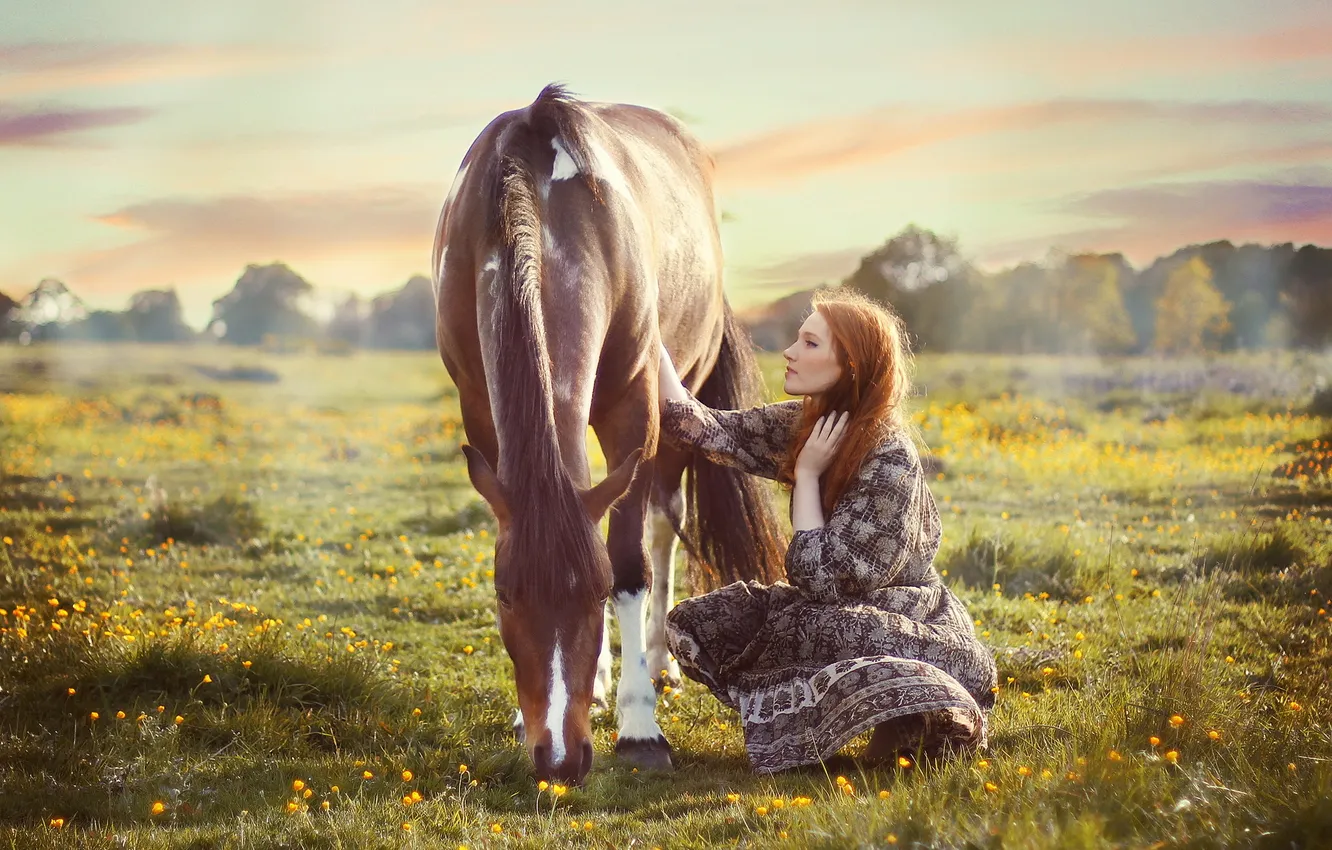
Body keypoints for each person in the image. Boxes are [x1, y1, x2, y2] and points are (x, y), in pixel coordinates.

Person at [657, 287, 996, 774]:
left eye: (810, 343)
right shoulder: (809, 422)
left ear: (850, 366)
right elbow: (705, 428)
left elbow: (821, 579)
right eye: (797, 340)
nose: (790, 352)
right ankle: (828, 721)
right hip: (827, 611)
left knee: (826, 626)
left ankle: (918, 711)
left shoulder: (890, 459)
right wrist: (649, 337)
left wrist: (808, 475)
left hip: (902, 621)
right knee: (701, 622)